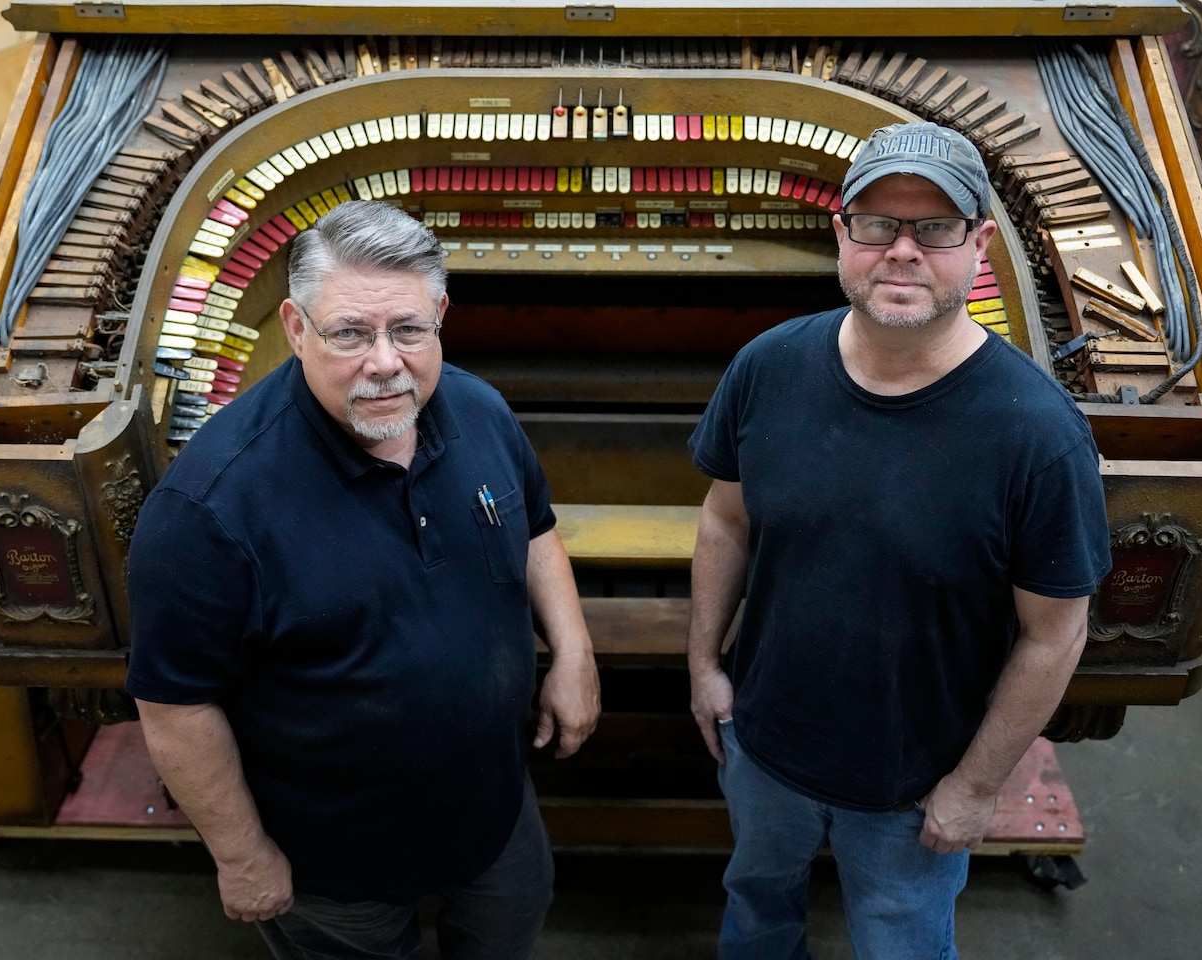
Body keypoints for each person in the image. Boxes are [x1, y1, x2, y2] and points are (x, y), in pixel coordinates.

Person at [125, 199, 601, 959]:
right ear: (295, 327)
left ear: (440, 314)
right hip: (330, 859)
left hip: (493, 807)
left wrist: (574, 653)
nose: (385, 361)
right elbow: (177, 705)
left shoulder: (478, 410)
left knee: (510, 929)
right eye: (350, 332)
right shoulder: (209, 509)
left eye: (409, 329)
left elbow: (535, 528)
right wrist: (243, 855)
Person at [685, 121, 1111, 959]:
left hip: (915, 788)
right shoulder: (767, 368)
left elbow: (1055, 635)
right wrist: (704, 666)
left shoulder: (1038, 436)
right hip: (764, 746)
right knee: (757, 910)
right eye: (879, 224)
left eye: (936, 228)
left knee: (901, 942)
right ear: (842, 233)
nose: (903, 251)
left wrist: (977, 786)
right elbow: (724, 519)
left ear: (979, 243)